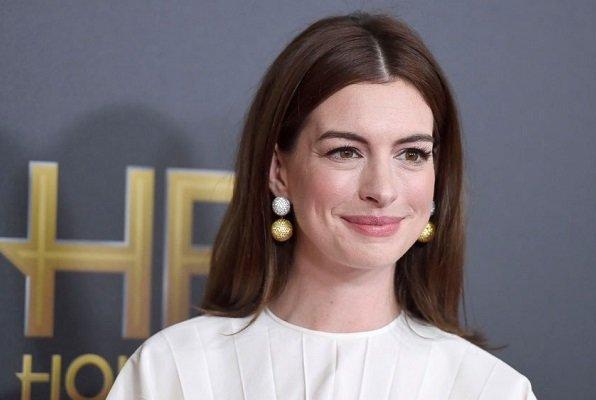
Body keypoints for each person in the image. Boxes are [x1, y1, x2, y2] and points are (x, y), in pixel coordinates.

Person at [107, 11, 537, 399]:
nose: (382, 190)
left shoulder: (490, 389)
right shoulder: (173, 371)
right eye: (345, 152)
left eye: (412, 154)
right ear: (279, 171)